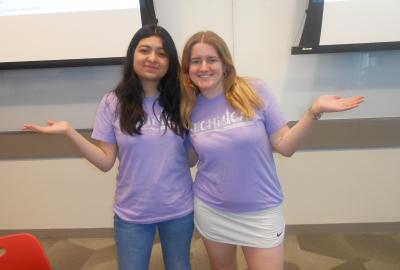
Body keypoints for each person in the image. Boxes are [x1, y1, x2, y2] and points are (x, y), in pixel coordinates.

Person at [179, 31, 364, 270]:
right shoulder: (188, 107)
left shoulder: (253, 90)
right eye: (196, 61)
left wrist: (313, 112)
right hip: (212, 209)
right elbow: (190, 159)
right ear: (188, 68)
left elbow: (284, 145)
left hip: (261, 210)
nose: (204, 67)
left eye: (211, 59)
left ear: (224, 63)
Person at [23, 25, 194, 270]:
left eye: (162, 53)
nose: (152, 58)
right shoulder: (113, 102)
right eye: (144, 50)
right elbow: (105, 162)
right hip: (132, 212)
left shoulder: (183, 100)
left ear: (170, 61)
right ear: (132, 55)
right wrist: (69, 132)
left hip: (178, 209)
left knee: (180, 266)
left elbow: (190, 159)